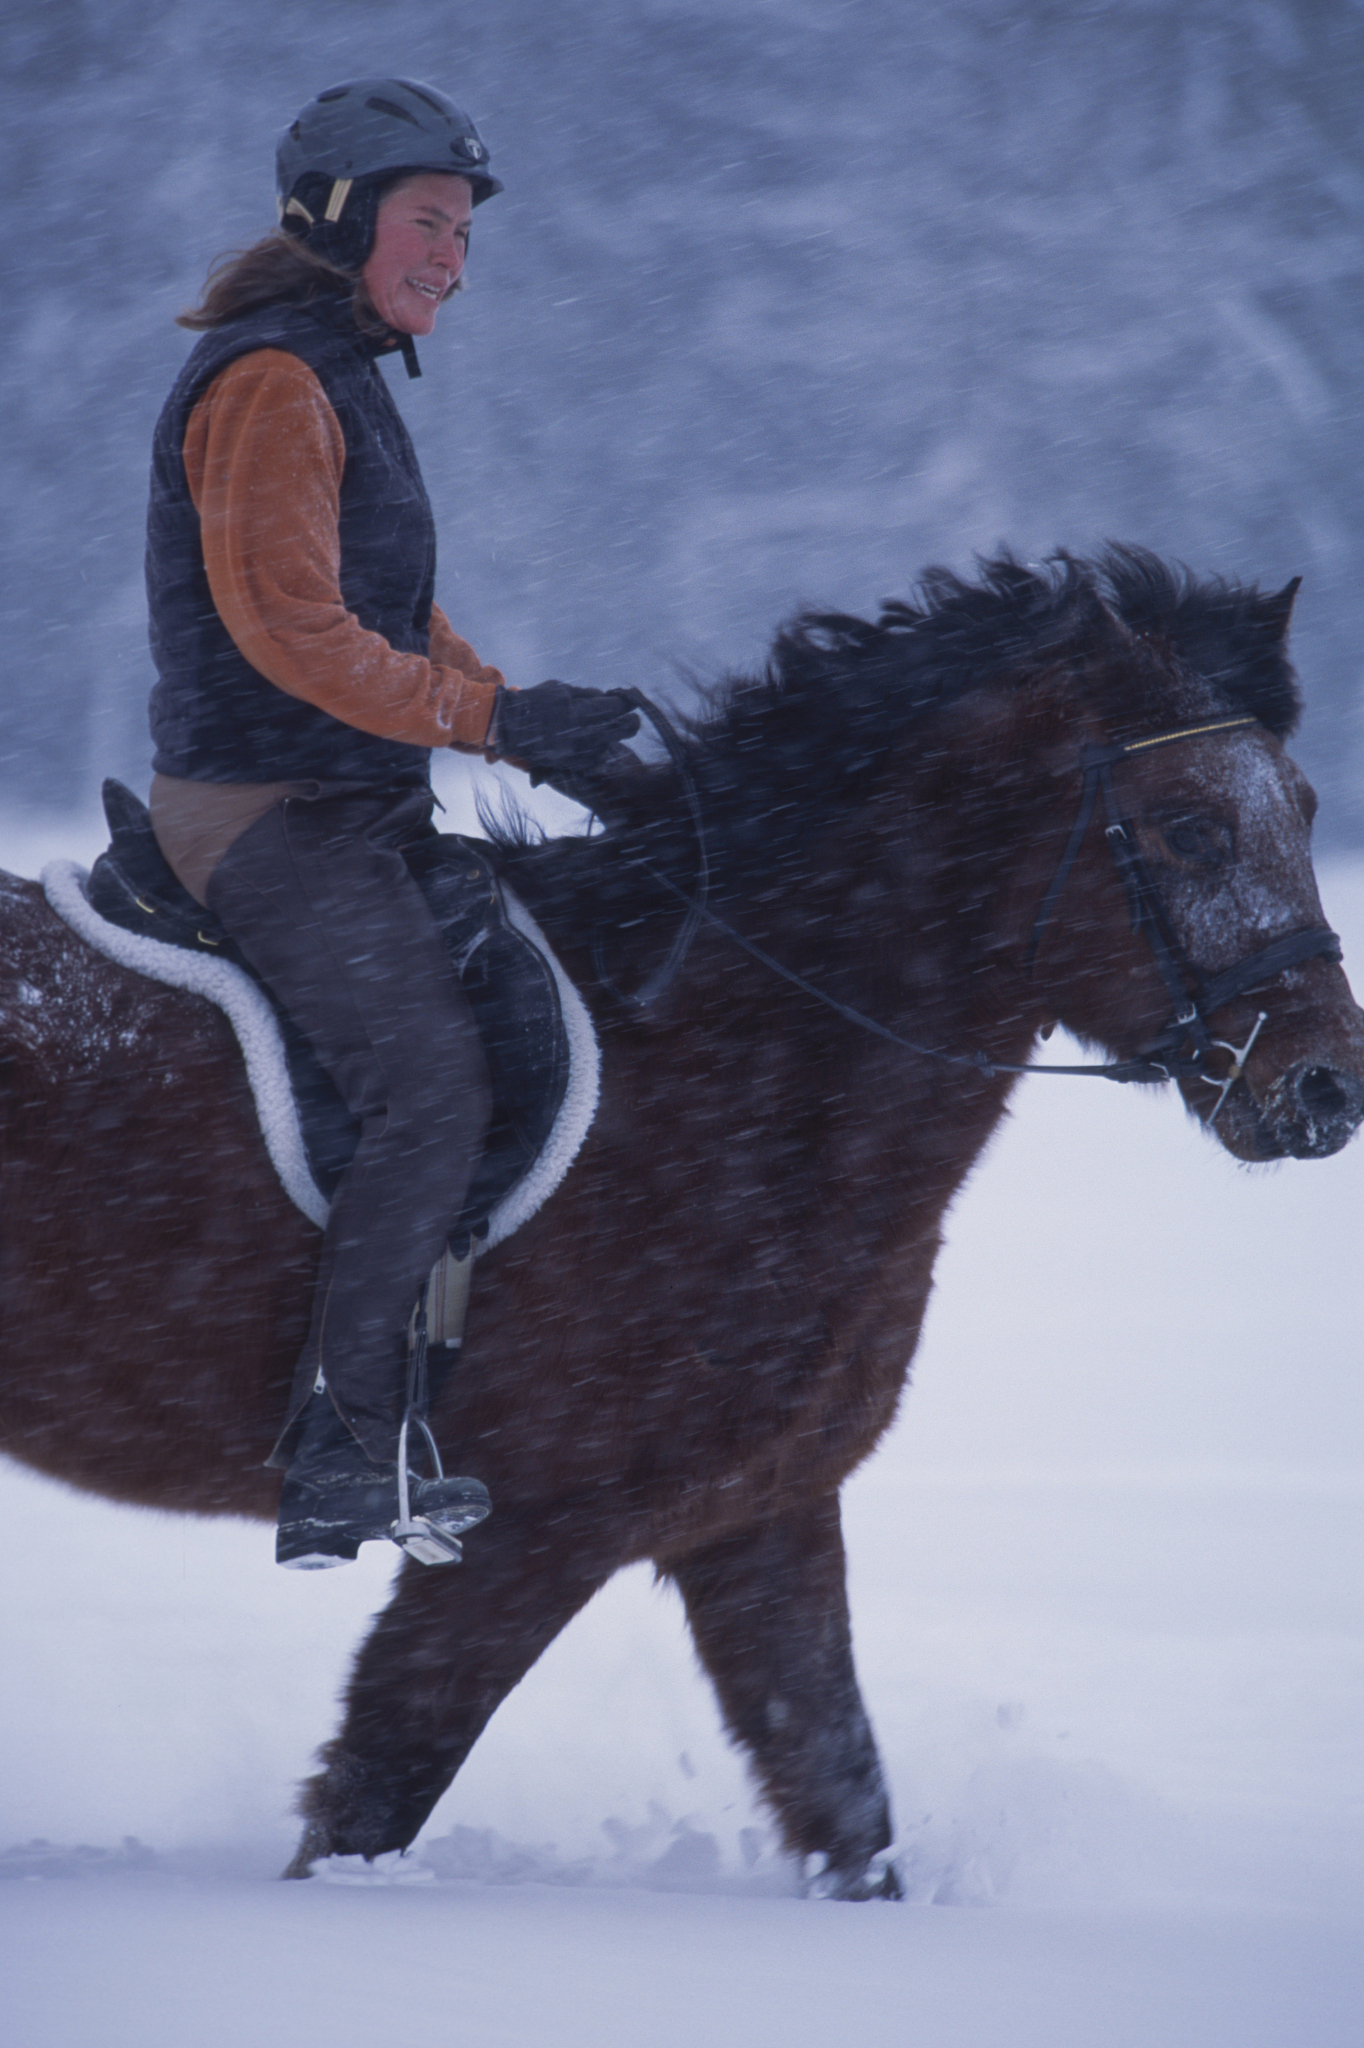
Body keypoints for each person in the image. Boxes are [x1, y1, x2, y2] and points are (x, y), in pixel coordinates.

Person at [145, 78, 638, 1570]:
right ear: (339, 217)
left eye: (465, 234)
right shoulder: (271, 382)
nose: (453, 259)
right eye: (429, 223)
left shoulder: (342, 373)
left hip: (351, 809)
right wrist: (486, 723)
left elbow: (394, 617)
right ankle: (344, 1447)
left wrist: (525, 715)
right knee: (429, 1085)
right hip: (262, 818)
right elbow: (296, 633)